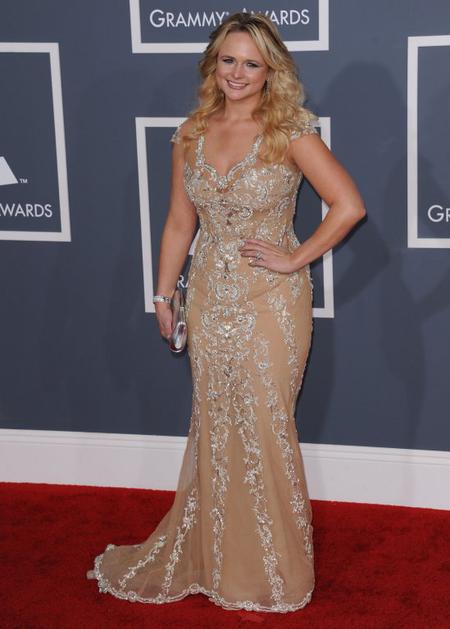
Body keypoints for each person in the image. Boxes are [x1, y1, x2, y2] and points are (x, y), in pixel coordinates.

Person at [86, 11, 366, 613]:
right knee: (216, 423)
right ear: (213, 63)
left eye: (251, 63)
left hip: (272, 301)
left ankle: (274, 570)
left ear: (271, 71)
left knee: (266, 423)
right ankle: (218, 558)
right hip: (210, 296)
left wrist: (295, 258)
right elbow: (179, 221)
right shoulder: (191, 133)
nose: (237, 73)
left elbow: (348, 205)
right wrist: (163, 295)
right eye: (228, 60)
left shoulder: (289, 130)